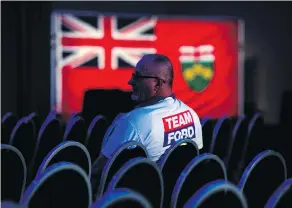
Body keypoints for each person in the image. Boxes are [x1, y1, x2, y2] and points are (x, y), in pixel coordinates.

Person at [91, 54, 203, 187]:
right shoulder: (192, 115)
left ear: (157, 83)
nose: (130, 81)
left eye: (137, 77)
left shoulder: (133, 122)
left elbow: (98, 172)